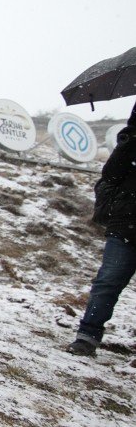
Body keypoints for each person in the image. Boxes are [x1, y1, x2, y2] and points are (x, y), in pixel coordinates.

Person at [67, 118, 136, 356]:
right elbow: (112, 174)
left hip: (127, 220)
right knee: (108, 281)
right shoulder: (132, 140)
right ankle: (87, 336)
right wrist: (130, 138)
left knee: (108, 282)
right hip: (127, 223)